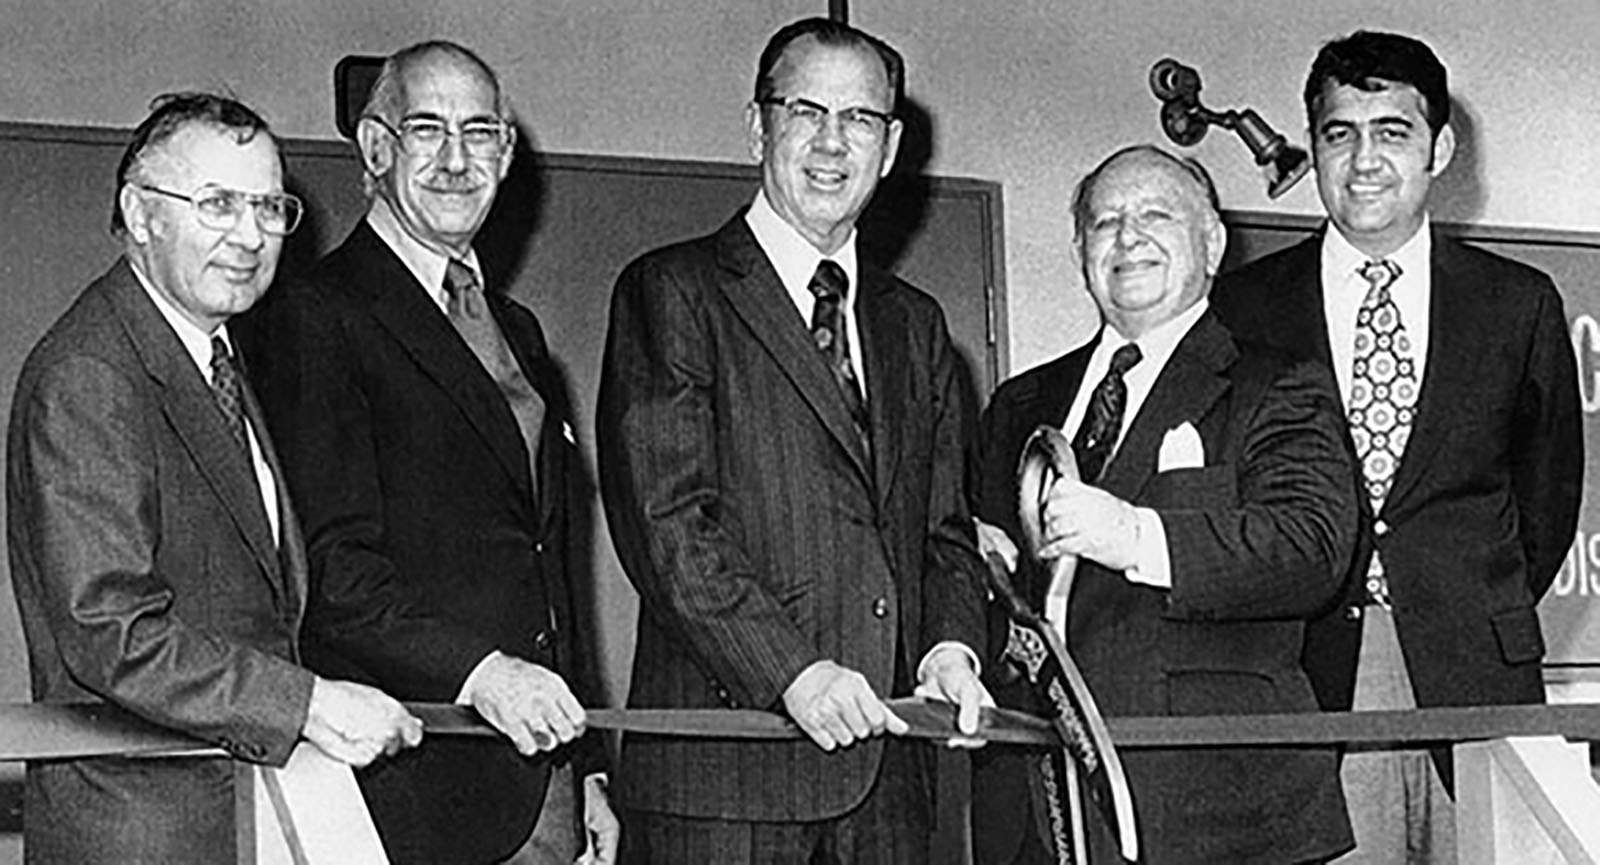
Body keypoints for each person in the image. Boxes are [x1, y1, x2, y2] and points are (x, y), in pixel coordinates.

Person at [596, 16, 990, 864]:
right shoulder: (673, 291)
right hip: (727, 783)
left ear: (890, 150)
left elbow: (944, 532)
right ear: (758, 126)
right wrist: (793, 673)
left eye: (860, 120)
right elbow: (666, 525)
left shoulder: (917, 326)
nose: (831, 142)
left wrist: (951, 648)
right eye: (806, 111)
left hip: (888, 784)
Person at [6, 92, 422, 865]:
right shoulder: (92, 373)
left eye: (269, 206)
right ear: (139, 212)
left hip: (228, 813)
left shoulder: (210, 355)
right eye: (218, 203)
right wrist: (306, 703)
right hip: (144, 830)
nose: (250, 234)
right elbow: (111, 632)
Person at [1212, 30, 1582, 863]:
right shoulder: (1243, 309)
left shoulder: (1516, 304)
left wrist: (1471, 593)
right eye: (1340, 133)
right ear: (1313, 148)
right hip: (1310, 671)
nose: (1364, 158)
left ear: (1440, 149)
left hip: (1478, 672)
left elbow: (1549, 493)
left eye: (1393, 131)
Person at [246, 41, 615, 865]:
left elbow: (543, 561)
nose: (457, 159)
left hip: (541, 780)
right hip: (408, 792)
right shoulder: (313, 316)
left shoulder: (517, 330)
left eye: (480, 133)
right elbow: (332, 571)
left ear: (508, 153)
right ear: (376, 149)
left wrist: (583, 769)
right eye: (428, 129)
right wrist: (482, 675)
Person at [970, 145, 1358, 864]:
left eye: (1156, 214)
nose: (1128, 236)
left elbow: (1312, 549)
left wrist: (1137, 536)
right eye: (1104, 220)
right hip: (1033, 806)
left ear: (1212, 242)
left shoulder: (1279, 383)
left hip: (1215, 810)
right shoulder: (1018, 402)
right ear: (1080, 247)